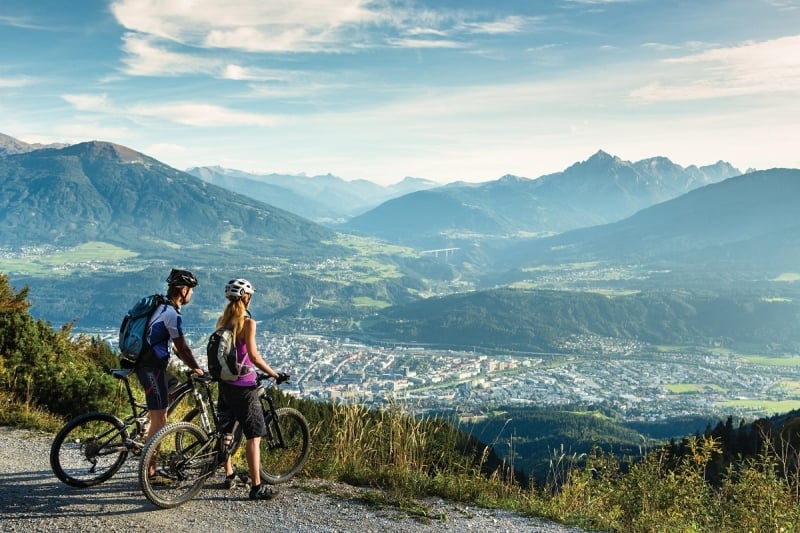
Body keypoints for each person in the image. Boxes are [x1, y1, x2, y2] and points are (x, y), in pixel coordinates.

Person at [216, 278, 286, 500]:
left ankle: (229, 475)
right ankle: (256, 487)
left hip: (225, 383)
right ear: (246, 297)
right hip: (244, 387)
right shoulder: (247, 322)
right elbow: (253, 357)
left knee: (226, 430)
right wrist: (274, 373)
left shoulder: (223, 320)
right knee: (254, 436)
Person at [135, 268, 204, 479]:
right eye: (190, 290)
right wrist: (197, 369)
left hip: (149, 366)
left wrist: (187, 361)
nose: (191, 294)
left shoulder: (162, 306)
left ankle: (146, 421)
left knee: (174, 386)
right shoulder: (171, 314)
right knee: (161, 422)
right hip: (151, 369)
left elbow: (173, 347)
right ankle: (150, 471)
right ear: (183, 290)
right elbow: (182, 348)